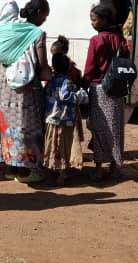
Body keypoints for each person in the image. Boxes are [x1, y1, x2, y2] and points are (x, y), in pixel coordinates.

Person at [0, 0, 53, 184]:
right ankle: (30, 170)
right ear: (37, 13)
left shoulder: (9, 28)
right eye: (44, 16)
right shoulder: (36, 33)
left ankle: (12, 168)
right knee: (27, 125)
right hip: (25, 87)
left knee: (8, 124)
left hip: (3, 82)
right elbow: (43, 66)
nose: (44, 20)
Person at [83, 1, 130, 181]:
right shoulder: (119, 39)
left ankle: (98, 168)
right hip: (116, 90)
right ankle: (116, 167)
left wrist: (83, 85)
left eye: (94, 19)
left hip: (99, 89)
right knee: (115, 128)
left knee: (99, 128)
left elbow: (90, 68)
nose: (92, 23)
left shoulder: (97, 40)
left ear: (103, 20)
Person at [43, 53, 89, 186]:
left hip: (50, 120)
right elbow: (66, 96)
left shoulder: (50, 81)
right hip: (63, 121)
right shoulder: (67, 81)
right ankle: (62, 174)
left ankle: (50, 169)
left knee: (52, 145)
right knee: (62, 147)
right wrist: (82, 95)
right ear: (67, 67)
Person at [49, 35, 86, 169]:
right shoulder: (71, 70)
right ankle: (71, 160)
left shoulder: (66, 72)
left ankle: (73, 160)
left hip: (63, 113)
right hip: (69, 113)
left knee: (68, 137)